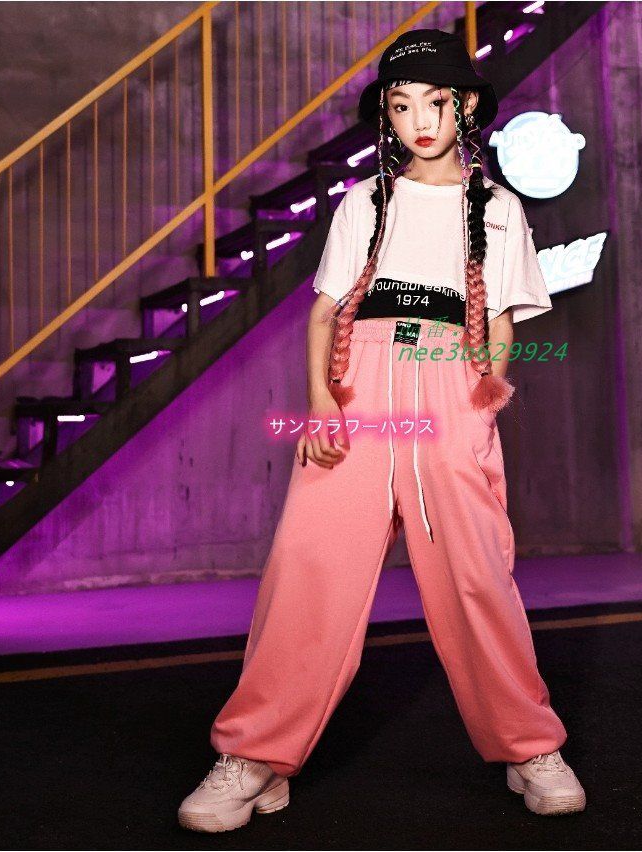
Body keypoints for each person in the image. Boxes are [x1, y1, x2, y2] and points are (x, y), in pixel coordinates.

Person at [178, 28, 586, 833]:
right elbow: (325, 309)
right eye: (401, 106)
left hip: (450, 386)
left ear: (466, 107)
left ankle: (529, 747)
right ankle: (255, 758)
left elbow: (503, 319)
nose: (419, 121)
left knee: (477, 577)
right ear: (386, 117)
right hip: (356, 386)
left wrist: (481, 401)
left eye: (435, 102)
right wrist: (322, 401)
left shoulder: (498, 208)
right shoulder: (364, 201)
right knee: (306, 570)